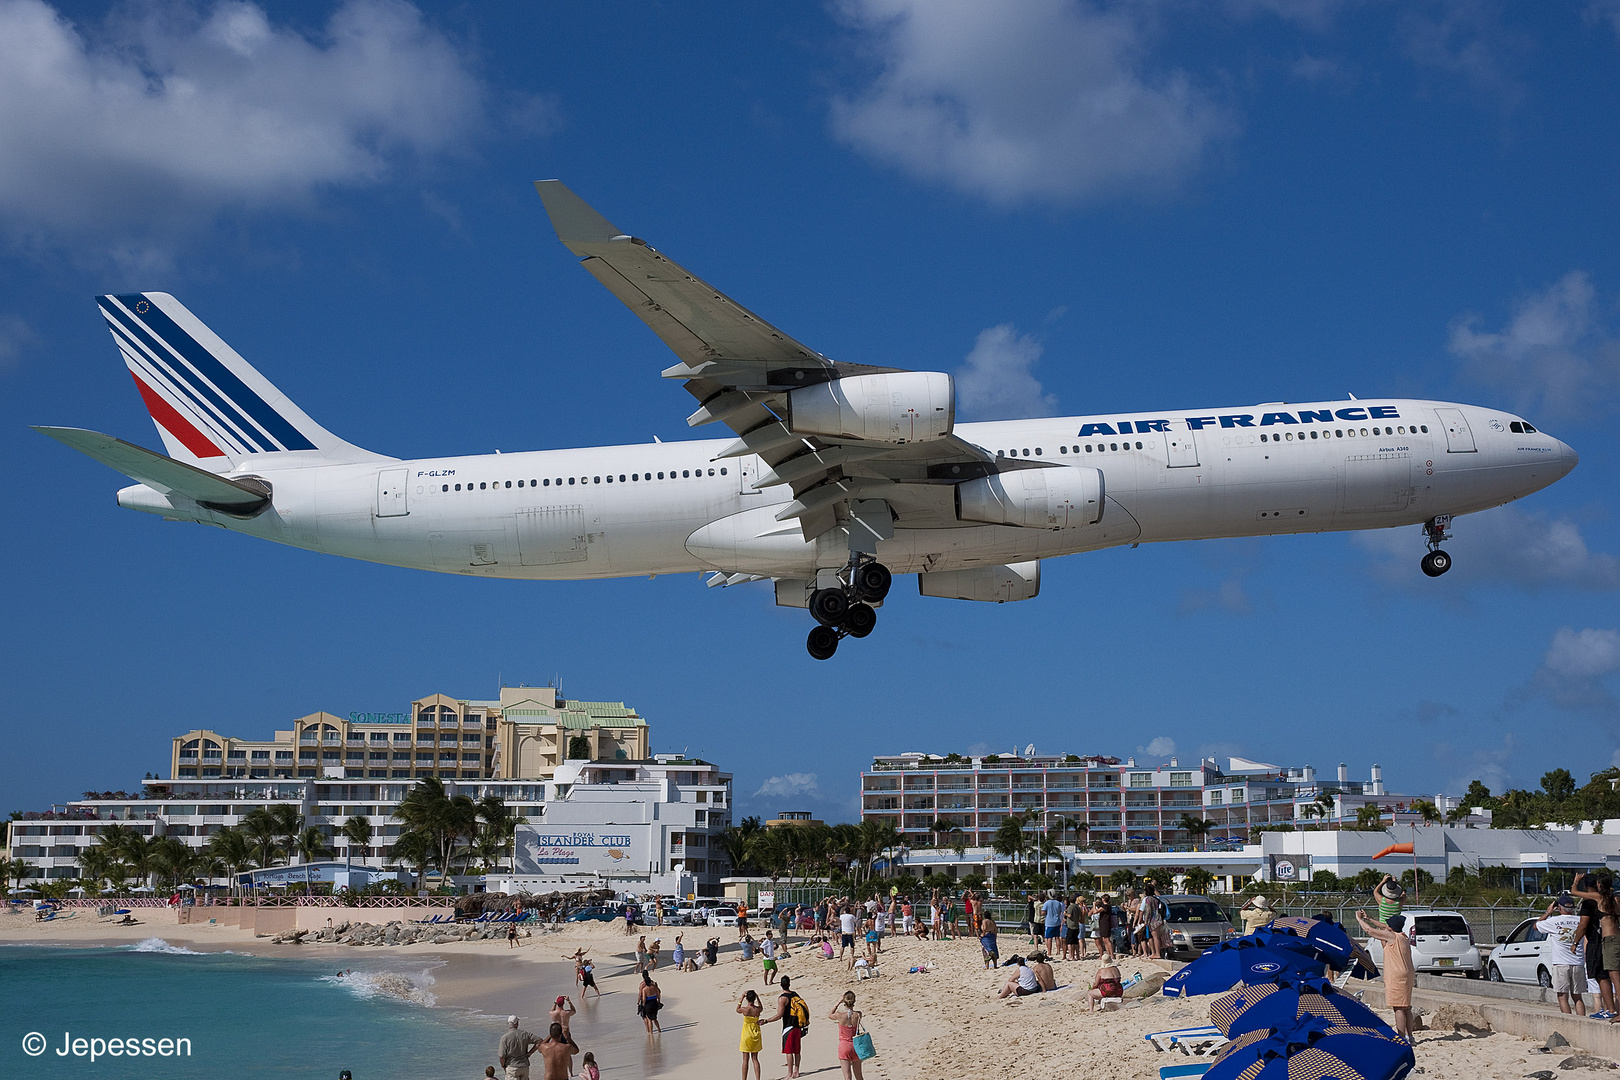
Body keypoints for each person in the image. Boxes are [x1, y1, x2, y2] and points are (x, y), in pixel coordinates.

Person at [1356, 910, 1415, 1040]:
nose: (1385, 926)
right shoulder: (1403, 936)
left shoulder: (1392, 937)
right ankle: (1410, 1036)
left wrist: (1360, 920)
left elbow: (1370, 931)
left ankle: (1401, 1037)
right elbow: (1383, 926)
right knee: (1406, 1007)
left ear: (1391, 928)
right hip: (1408, 973)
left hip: (1397, 975)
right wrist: (1369, 918)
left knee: (1398, 1008)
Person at [1573, 873, 1620, 1019]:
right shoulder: (1616, 899)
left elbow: (1574, 892)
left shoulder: (1599, 899)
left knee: (1615, 979)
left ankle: (1616, 1012)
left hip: (1609, 941)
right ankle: (1613, 1010)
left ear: (1599, 885)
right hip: (1617, 938)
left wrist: (1575, 881)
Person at [1534, 894, 1588, 1018]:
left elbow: (1536, 926)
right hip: (1578, 962)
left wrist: (1548, 913)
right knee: (1577, 997)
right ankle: (1582, 1021)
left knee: (1562, 996)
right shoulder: (1580, 920)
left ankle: (1569, 1022)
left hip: (1561, 963)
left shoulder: (1553, 921)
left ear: (1559, 907)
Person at [762, 974, 807, 1079]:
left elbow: (779, 1015)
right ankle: (796, 1071)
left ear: (781, 985)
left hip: (788, 1027)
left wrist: (766, 1020)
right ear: (789, 984)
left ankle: (790, 1073)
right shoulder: (795, 994)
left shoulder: (782, 998)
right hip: (798, 1026)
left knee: (789, 1051)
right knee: (797, 1050)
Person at [830, 990, 865, 1080]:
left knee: (847, 1077)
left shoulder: (840, 1015)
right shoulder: (858, 1014)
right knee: (859, 1076)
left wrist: (838, 1003)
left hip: (844, 1045)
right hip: (855, 1045)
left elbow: (830, 1015)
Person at [498, 1016, 539, 1080]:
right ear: (517, 1023)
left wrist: (503, 1065)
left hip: (512, 1066)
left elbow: (502, 1056)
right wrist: (530, 1053)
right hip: (524, 1066)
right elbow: (539, 1041)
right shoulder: (525, 1034)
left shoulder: (504, 1038)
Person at [738, 989, 764, 1080]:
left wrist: (741, 998)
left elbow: (737, 1009)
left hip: (746, 1034)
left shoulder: (745, 1010)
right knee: (755, 1058)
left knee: (745, 1059)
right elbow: (761, 1007)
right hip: (755, 1033)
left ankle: (744, 1079)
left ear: (747, 999)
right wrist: (758, 997)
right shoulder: (757, 1009)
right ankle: (758, 1078)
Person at [1040, 889, 1064, 954]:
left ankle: (1049, 952)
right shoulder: (1058, 903)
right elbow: (1059, 912)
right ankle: (1058, 951)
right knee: (1057, 937)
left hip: (1049, 922)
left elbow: (1043, 912)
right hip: (1057, 921)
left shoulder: (1046, 903)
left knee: (1049, 938)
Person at [1094, 895, 1116, 960]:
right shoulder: (1107, 906)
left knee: (1107, 939)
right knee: (1105, 940)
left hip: (1105, 923)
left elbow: (1095, 911)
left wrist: (1094, 905)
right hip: (1103, 923)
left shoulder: (1105, 906)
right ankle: (1109, 953)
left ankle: (1111, 954)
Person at [1065, 893, 1086, 961]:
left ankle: (1071, 956)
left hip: (1071, 925)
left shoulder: (1071, 907)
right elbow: (1080, 915)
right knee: (1076, 942)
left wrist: (1065, 913)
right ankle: (1077, 955)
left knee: (1069, 942)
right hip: (1077, 925)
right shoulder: (1077, 907)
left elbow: (1070, 915)